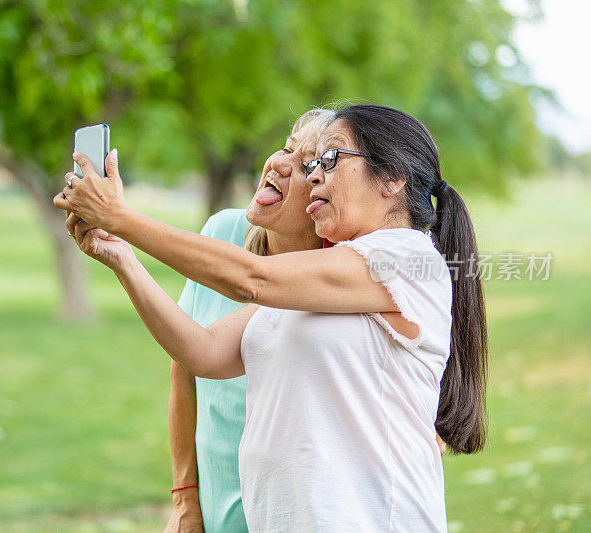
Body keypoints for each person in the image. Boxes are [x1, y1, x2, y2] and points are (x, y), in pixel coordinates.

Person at [56, 103, 486, 531]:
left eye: (330, 158)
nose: (315, 174)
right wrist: (123, 258)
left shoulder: (408, 259)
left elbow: (249, 277)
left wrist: (120, 217)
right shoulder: (313, 284)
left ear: (391, 177)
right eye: (311, 163)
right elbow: (202, 353)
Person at [164, 109, 331, 532]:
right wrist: (185, 499)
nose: (278, 163)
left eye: (308, 164)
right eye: (288, 147)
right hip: (217, 513)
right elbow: (184, 366)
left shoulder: (339, 276)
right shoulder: (222, 232)